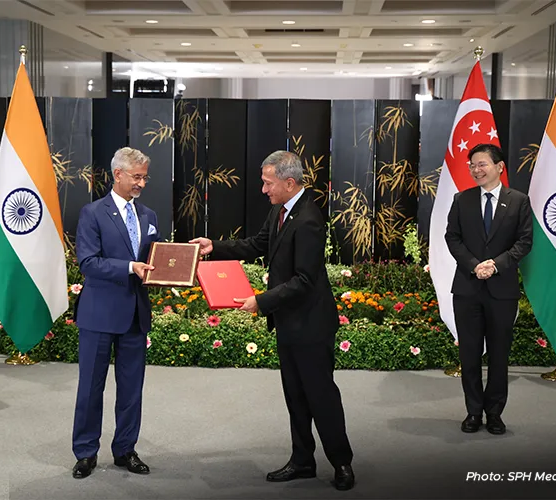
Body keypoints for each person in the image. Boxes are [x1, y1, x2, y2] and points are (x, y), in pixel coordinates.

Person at [190, 150, 354, 491]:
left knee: (320, 396)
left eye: (268, 183)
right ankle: (303, 461)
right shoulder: (280, 211)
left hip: (310, 324)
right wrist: (213, 247)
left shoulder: (308, 218)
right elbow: (257, 245)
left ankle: (341, 463)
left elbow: (305, 280)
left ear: (289, 182)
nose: (264, 189)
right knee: (295, 395)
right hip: (288, 321)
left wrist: (260, 302)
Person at [71, 147, 161, 479]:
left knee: (131, 388)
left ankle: (125, 450)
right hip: (99, 314)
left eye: (145, 177)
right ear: (118, 174)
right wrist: (129, 267)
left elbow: (157, 258)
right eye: (136, 177)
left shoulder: (149, 215)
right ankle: (85, 452)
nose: (141, 183)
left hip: (135, 316)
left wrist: (175, 267)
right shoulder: (92, 213)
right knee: (91, 387)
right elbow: (88, 263)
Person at [445, 143, 533, 435]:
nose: (476, 170)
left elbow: (524, 242)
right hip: (468, 289)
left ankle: (494, 412)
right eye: (472, 165)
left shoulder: (518, 201)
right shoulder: (462, 200)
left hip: (502, 290)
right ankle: (473, 411)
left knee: (498, 355)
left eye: (482, 164)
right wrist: (474, 265)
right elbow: (452, 238)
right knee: (469, 355)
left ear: (499, 167)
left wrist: (495, 265)